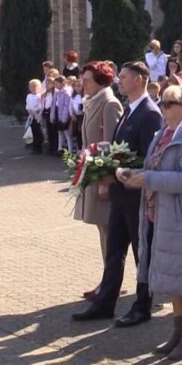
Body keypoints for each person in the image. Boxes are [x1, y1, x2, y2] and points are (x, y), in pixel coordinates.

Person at [113, 84, 182, 361]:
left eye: (169, 103)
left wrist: (150, 180)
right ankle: (177, 329)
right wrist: (134, 174)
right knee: (173, 276)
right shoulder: (163, 134)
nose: (163, 107)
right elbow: (156, 170)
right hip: (161, 214)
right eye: (163, 102)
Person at [74, 62, 164, 326]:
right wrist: (103, 168)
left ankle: (143, 305)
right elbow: (116, 148)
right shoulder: (129, 111)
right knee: (114, 250)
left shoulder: (149, 113)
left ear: (139, 80)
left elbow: (151, 158)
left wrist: (119, 173)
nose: (119, 81)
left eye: (123, 77)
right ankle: (105, 302)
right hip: (120, 193)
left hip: (136, 195)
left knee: (141, 251)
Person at [77, 61, 123, 298]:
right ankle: (108, 280)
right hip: (93, 172)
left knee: (109, 230)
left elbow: (112, 145)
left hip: (104, 177)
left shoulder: (109, 104)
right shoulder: (93, 102)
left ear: (101, 81)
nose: (82, 84)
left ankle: (111, 282)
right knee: (102, 229)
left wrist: (105, 180)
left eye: (87, 80)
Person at [52, 75, 74, 153]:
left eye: (57, 83)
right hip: (58, 113)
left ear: (63, 83)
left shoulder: (66, 93)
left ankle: (70, 151)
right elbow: (55, 104)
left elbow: (66, 106)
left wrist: (64, 118)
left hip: (64, 115)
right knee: (60, 132)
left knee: (67, 134)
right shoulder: (58, 93)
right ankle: (60, 149)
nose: (55, 85)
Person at [25, 80, 45, 154]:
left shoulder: (40, 96)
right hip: (32, 116)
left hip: (39, 116)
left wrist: (36, 111)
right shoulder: (29, 96)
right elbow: (27, 106)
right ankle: (35, 147)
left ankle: (39, 147)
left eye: (35, 86)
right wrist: (31, 111)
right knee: (33, 131)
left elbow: (41, 106)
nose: (34, 88)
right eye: (32, 87)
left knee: (38, 131)